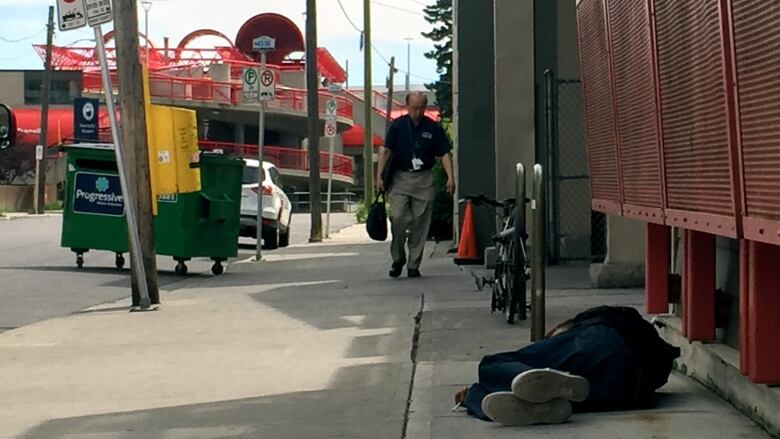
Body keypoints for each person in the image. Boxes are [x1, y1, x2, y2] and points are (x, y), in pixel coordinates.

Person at [454, 306, 681, 426]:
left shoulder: (583, 327)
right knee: (569, 395)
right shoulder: (630, 327)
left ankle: (475, 396)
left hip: (604, 346)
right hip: (629, 390)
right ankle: (541, 401)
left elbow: (565, 335)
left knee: (491, 364)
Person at [376, 91, 455, 278]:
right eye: (413, 107)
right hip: (400, 177)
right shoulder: (398, 126)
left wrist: (450, 177)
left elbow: (444, 153)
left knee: (421, 222)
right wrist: (379, 176)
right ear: (407, 105)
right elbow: (386, 151)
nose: (417, 111)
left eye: (420, 107)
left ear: (425, 107)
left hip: (424, 179)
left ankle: (413, 264)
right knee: (397, 217)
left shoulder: (433, 128)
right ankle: (398, 258)